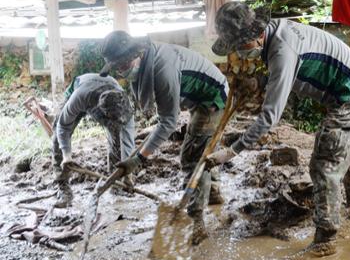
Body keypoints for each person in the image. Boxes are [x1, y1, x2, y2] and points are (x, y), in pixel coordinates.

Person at [207, 1, 350, 256]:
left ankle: (326, 239)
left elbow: (270, 117)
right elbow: (284, 76)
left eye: (240, 47)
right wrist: (260, 82)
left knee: (324, 165)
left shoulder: (282, 50)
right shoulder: (276, 33)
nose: (239, 54)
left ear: (256, 34)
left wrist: (232, 151)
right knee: (348, 154)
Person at [99, 30, 229, 245]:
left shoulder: (162, 69)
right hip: (194, 96)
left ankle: (196, 219)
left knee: (192, 157)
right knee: (201, 148)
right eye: (117, 68)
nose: (121, 73)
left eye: (122, 66)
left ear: (136, 55)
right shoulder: (147, 61)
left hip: (211, 97)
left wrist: (139, 158)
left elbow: (169, 121)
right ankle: (213, 193)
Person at [52, 73, 135, 208]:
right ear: (102, 112)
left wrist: (127, 172)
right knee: (57, 137)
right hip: (83, 89)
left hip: (108, 90)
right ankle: (63, 189)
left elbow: (128, 140)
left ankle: (116, 184)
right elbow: (63, 126)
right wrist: (66, 155)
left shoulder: (125, 107)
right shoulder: (80, 97)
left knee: (117, 137)